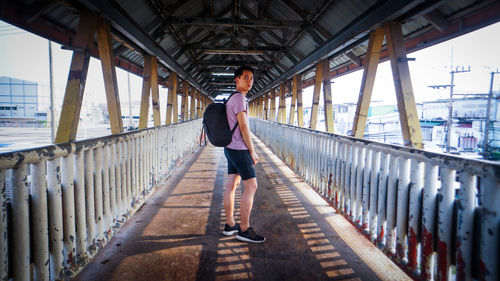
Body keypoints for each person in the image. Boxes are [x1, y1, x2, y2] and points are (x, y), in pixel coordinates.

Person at [222, 66, 266, 243]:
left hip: (229, 148)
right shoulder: (240, 98)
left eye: (251, 78)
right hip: (240, 149)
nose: (249, 81)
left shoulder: (231, 98)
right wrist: (253, 151)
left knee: (231, 185)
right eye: (246, 77)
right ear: (237, 80)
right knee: (251, 186)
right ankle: (244, 230)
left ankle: (230, 225)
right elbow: (243, 127)